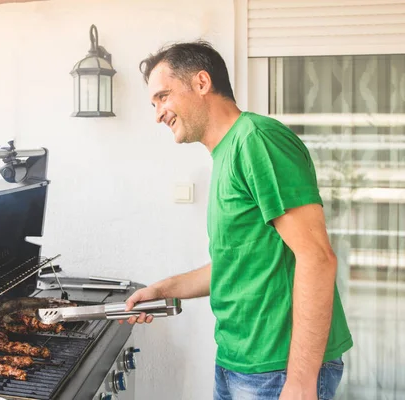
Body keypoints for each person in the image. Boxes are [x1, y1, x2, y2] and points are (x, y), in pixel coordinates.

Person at [123, 41, 353, 400]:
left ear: (201, 83)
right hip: (237, 363)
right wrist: (162, 290)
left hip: (278, 370)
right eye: (154, 104)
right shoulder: (227, 154)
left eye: (163, 97)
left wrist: (302, 381)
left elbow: (317, 258)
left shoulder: (256, 140)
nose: (158, 114)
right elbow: (237, 266)